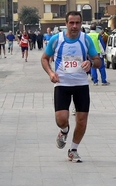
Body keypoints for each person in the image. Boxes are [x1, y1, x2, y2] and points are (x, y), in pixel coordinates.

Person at [40, 11, 101, 163]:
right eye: (71, 23)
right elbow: (44, 58)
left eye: (77, 23)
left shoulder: (85, 40)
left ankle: (73, 149)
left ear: (81, 24)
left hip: (81, 85)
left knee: (81, 121)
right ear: (66, 24)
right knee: (61, 119)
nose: (74, 26)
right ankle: (64, 130)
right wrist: (50, 73)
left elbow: (98, 60)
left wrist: (91, 63)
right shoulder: (57, 39)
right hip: (62, 84)